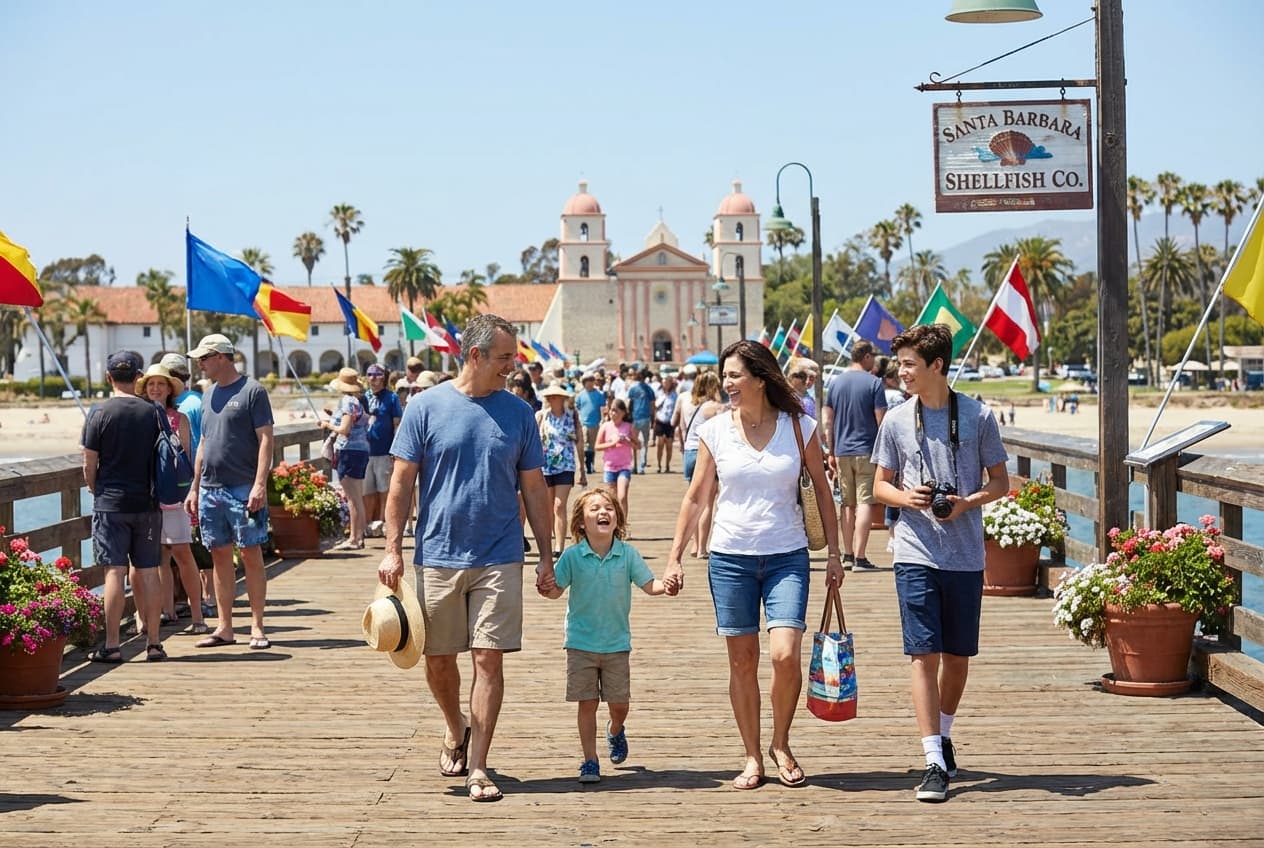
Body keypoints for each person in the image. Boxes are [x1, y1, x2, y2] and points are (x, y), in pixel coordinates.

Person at [377, 313, 554, 803]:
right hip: (437, 554)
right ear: (474, 355)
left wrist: (546, 555)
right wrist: (393, 549)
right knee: (438, 661)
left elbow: (535, 489)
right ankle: (455, 726)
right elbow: (399, 484)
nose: (511, 366)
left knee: (488, 658)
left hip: (500, 553)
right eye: (503, 358)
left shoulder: (519, 414)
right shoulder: (425, 407)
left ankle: (478, 766)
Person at [665, 340, 843, 791]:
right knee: (742, 663)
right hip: (730, 558)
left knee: (785, 656)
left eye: (735, 376)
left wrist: (836, 555)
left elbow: (822, 490)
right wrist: (675, 557)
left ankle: (780, 742)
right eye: (724, 376)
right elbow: (696, 496)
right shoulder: (715, 430)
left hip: (788, 554)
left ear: (760, 379)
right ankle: (751, 756)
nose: (727, 384)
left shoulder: (799, 426)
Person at [871, 324, 1008, 803]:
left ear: (937, 366)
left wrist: (967, 503)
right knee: (922, 654)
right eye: (900, 363)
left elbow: (1001, 483)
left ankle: (944, 733)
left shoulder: (978, 416)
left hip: (966, 552)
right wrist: (909, 498)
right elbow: (879, 486)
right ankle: (932, 760)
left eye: (909, 364)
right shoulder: (894, 419)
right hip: (914, 550)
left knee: (957, 657)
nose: (901, 372)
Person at [545, 488, 668, 783]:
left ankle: (615, 729)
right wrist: (545, 586)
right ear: (580, 523)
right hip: (580, 643)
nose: (603, 512)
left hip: (616, 644)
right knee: (586, 703)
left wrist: (669, 585)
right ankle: (589, 760)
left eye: (609, 508)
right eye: (595, 509)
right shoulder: (573, 556)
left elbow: (649, 585)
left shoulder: (628, 554)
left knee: (619, 704)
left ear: (617, 518)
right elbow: (556, 590)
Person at [184, 334, 274, 651]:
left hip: (242, 488)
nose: (200, 364)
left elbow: (266, 439)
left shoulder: (253, 391)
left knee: (251, 554)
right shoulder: (207, 396)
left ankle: (258, 626)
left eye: (204, 358)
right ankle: (225, 627)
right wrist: (194, 488)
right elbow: (204, 444)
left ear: (222, 356)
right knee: (219, 555)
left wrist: (260, 484)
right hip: (210, 490)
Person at [84, 352, 166, 663]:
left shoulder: (99, 412)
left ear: (108, 378)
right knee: (148, 572)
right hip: (146, 503)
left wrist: (94, 488)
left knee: (114, 572)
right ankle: (155, 643)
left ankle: (113, 644)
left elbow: (88, 462)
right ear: (138, 377)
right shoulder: (153, 412)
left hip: (111, 502)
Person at [137, 364, 208, 636]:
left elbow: (187, 458)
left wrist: (192, 491)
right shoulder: (138, 416)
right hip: (145, 497)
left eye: (161, 384)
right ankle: (160, 612)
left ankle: (198, 615)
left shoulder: (180, 418)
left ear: (170, 389)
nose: (156, 388)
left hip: (173, 498)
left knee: (182, 553)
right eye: (151, 384)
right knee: (153, 560)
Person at [821, 339, 887, 572]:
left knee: (847, 504)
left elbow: (827, 420)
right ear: (867, 357)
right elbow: (882, 421)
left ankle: (847, 554)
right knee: (866, 501)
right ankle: (860, 557)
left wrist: (830, 451)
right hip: (867, 450)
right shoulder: (874, 383)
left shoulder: (836, 383)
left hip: (841, 451)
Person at [672, 371, 723, 557]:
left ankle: (694, 545)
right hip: (707, 453)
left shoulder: (687, 402)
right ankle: (702, 547)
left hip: (690, 452)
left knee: (693, 499)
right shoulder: (714, 407)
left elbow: (681, 426)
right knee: (707, 503)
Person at [321, 367, 370, 551]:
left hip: (349, 451)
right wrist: (333, 417)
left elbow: (345, 430)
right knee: (357, 496)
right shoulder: (358, 401)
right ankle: (358, 536)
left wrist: (327, 425)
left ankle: (354, 539)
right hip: (361, 450)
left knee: (352, 497)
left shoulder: (347, 402)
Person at [536, 384, 587, 558]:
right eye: (550, 397)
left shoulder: (572, 417)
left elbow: (579, 443)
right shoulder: (542, 416)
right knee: (549, 507)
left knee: (559, 505)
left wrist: (583, 469)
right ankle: (552, 540)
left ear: (563, 399)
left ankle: (559, 546)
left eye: (556, 396)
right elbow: (535, 443)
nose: (552, 399)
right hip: (546, 466)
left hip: (566, 466)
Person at [362, 363, 403, 538]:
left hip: (384, 451)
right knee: (367, 491)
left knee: (384, 490)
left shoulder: (392, 398)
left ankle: (382, 524)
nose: (373, 378)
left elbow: (397, 425)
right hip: (364, 452)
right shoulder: (363, 397)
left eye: (377, 374)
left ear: (384, 377)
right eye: (369, 374)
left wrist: (396, 451)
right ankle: (367, 524)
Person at [594, 398, 638, 520]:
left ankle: (623, 524)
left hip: (624, 466)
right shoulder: (605, 426)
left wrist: (629, 440)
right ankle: (614, 524)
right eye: (611, 411)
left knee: (622, 496)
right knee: (611, 499)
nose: (613, 414)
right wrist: (612, 443)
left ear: (623, 413)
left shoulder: (628, 427)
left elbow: (638, 445)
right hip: (609, 467)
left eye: (616, 411)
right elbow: (597, 446)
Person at [573, 373, 606, 475]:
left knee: (592, 446)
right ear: (584, 383)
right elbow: (576, 407)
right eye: (588, 382)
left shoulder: (599, 395)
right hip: (583, 424)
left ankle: (591, 464)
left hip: (595, 423)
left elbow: (603, 408)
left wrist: (603, 419)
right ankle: (585, 464)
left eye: (592, 382)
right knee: (585, 445)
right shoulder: (580, 395)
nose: (590, 384)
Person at [626, 369, 655, 474]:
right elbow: (652, 405)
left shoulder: (633, 389)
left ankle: (635, 465)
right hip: (645, 418)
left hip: (635, 418)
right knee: (644, 443)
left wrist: (628, 417)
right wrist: (653, 418)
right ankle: (641, 466)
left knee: (634, 442)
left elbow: (629, 404)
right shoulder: (649, 389)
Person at [653, 374, 678, 473]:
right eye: (663, 382)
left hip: (669, 422)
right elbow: (655, 406)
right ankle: (659, 465)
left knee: (669, 445)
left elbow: (676, 409)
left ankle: (667, 465)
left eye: (666, 382)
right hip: (660, 420)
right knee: (659, 444)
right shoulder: (659, 394)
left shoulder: (675, 395)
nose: (664, 384)